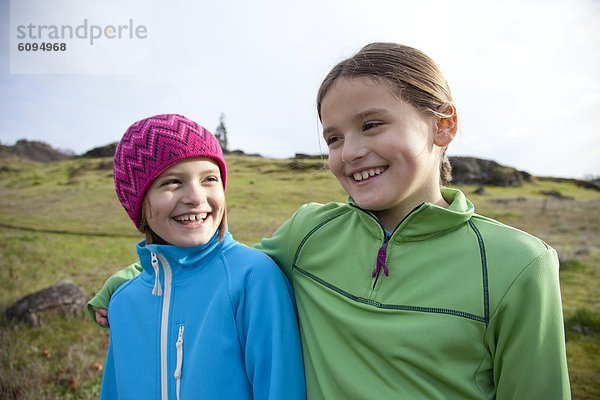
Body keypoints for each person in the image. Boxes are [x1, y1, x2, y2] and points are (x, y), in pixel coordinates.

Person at [89, 44, 571, 399]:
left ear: (443, 125)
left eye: (372, 124)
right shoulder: (308, 233)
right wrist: (131, 277)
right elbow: (212, 259)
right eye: (334, 137)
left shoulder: (518, 265)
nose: (351, 152)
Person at [95, 114, 305, 399]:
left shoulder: (253, 277)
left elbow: (281, 389)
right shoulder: (122, 302)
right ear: (138, 203)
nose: (195, 196)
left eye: (209, 179)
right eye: (172, 182)